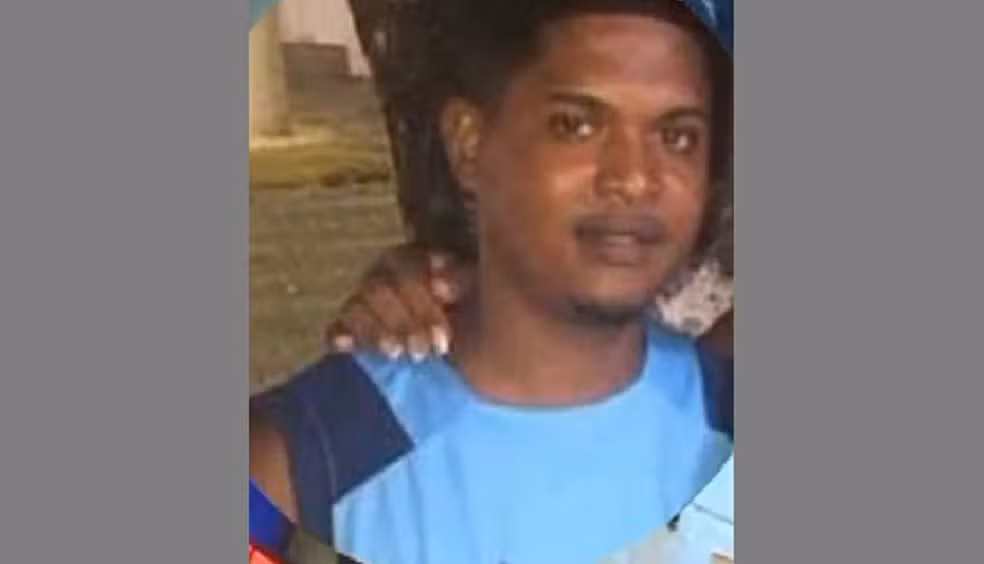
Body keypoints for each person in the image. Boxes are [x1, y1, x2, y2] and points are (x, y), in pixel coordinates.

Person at [250, 1, 733, 562]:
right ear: (469, 144)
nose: (633, 178)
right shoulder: (303, 464)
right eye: (575, 125)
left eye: (677, 136)